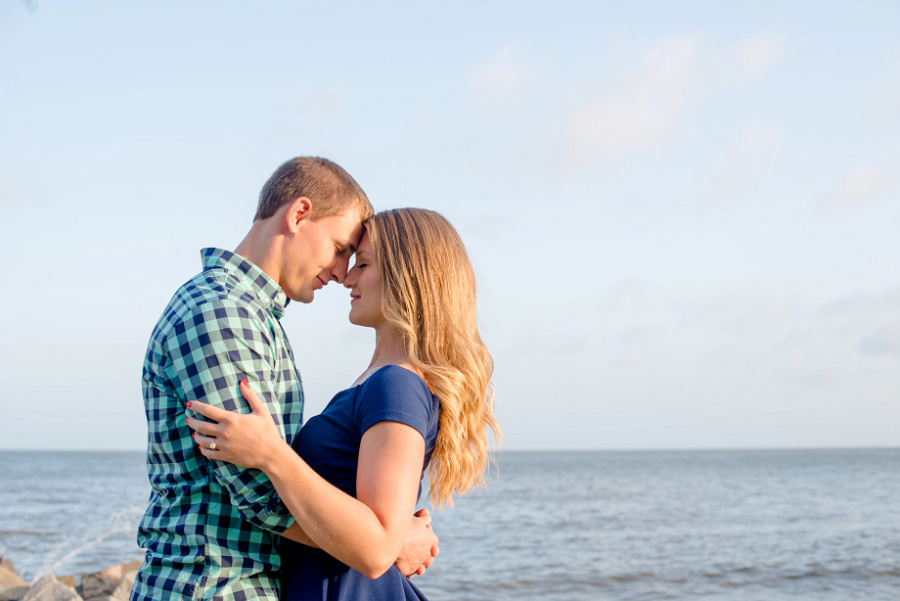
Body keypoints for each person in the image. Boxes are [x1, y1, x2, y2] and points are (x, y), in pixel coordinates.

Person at [131, 158, 438, 601]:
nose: (340, 272)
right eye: (339, 248)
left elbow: (275, 467)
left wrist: (387, 531)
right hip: (209, 585)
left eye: (354, 260)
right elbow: (257, 489)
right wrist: (387, 544)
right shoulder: (221, 314)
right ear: (298, 214)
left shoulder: (254, 318)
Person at [185, 208, 500, 600]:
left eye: (363, 264)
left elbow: (376, 549)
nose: (347, 277)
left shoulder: (396, 385)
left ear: (409, 277)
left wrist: (272, 455)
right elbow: (382, 532)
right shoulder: (379, 382)